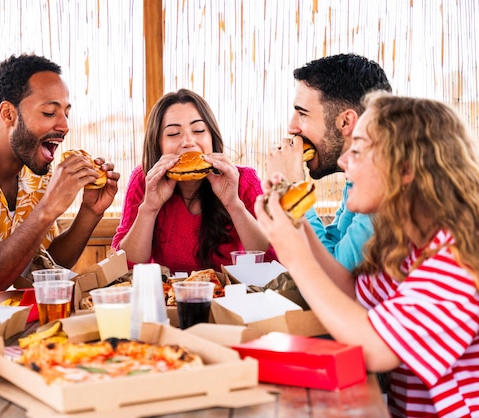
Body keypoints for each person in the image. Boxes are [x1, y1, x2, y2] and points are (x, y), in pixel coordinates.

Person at [256, 91, 479, 417]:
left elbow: (376, 349)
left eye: (358, 150)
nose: (344, 161)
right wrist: (298, 224)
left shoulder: (456, 262)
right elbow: (351, 294)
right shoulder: (409, 244)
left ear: (405, 169)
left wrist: (295, 257)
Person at [0, 54, 120, 296]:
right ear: (9, 114)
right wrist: (47, 209)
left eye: (66, 113)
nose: (64, 126)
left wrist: (90, 212)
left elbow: (44, 265)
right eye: (50, 113)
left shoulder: (36, 170)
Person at [112, 89, 276, 273]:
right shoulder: (145, 180)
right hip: (171, 297)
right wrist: (149, 208)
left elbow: (270, 258)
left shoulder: (242, 179)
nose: (188, 141)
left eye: (198, 130)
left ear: (211, 137)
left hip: (232, 296)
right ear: (158, 144)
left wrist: (233, 204)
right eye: (174, 133)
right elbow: (126, 263)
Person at [267, 53, 391, 272]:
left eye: (302, 114)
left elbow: (333, 275)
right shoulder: (357, 178)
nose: (291, 127)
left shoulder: (385, 185)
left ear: (345, 121)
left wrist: (295, 190)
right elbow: (333, 248)